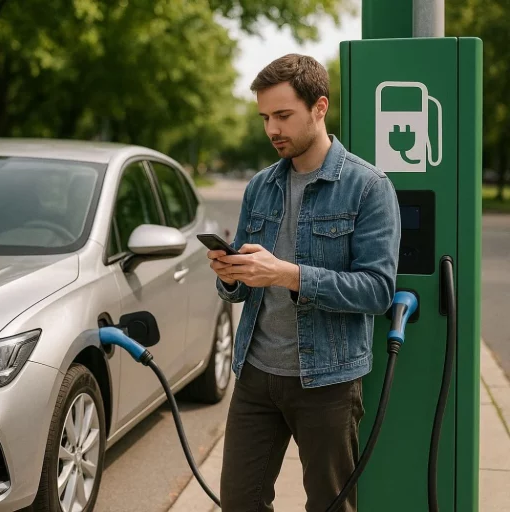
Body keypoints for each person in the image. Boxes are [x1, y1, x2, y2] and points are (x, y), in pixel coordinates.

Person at [208, 54, 401, 512]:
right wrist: (231, 276)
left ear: (319, 107)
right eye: (264, 118)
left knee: (330, 505)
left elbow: (377, 290)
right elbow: (246, 283)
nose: (271, 129)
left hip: (328, 381)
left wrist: (288, 274)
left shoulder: (368, 187)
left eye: (283, 115)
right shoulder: (260, 186)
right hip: (256, 374)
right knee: (239, 501)